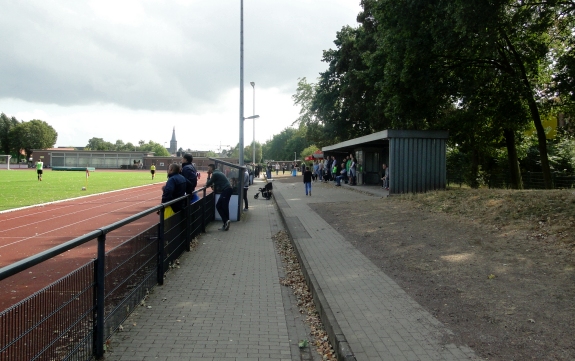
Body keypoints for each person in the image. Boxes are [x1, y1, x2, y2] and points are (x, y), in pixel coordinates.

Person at [205, 164, 232, 231]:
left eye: (208, 168)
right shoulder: (218, 172)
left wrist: (208, 175)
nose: (208, 170)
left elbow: (208, 183)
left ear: (211, 168)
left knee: (219, 206)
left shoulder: (215, 174)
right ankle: (226, 223)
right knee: (224, 206)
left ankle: (226, 221)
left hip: (226, 190)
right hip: (227, 190)